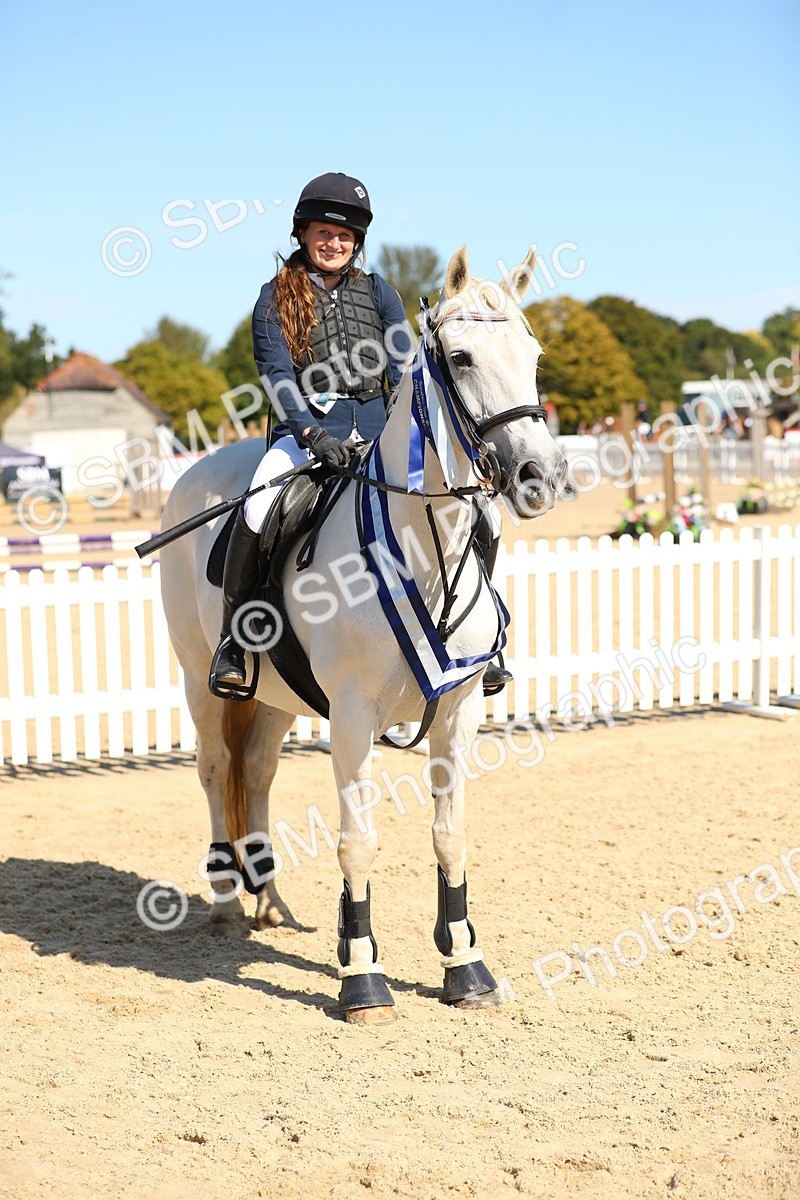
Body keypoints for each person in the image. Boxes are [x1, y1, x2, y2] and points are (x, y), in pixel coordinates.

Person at [208, 171, 513, 699]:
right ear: (303, 234)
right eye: (324, 233)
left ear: (358, 243)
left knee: (480, 510)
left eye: (345, 236)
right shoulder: (275, 296)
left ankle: (484, 638)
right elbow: (277, 374)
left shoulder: (380, 293)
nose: (334, 244)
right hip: (306, 438)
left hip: (378, 436)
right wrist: (307, 431)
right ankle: (235, 639)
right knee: (258, 508)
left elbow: (403, 371)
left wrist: (417, 435)